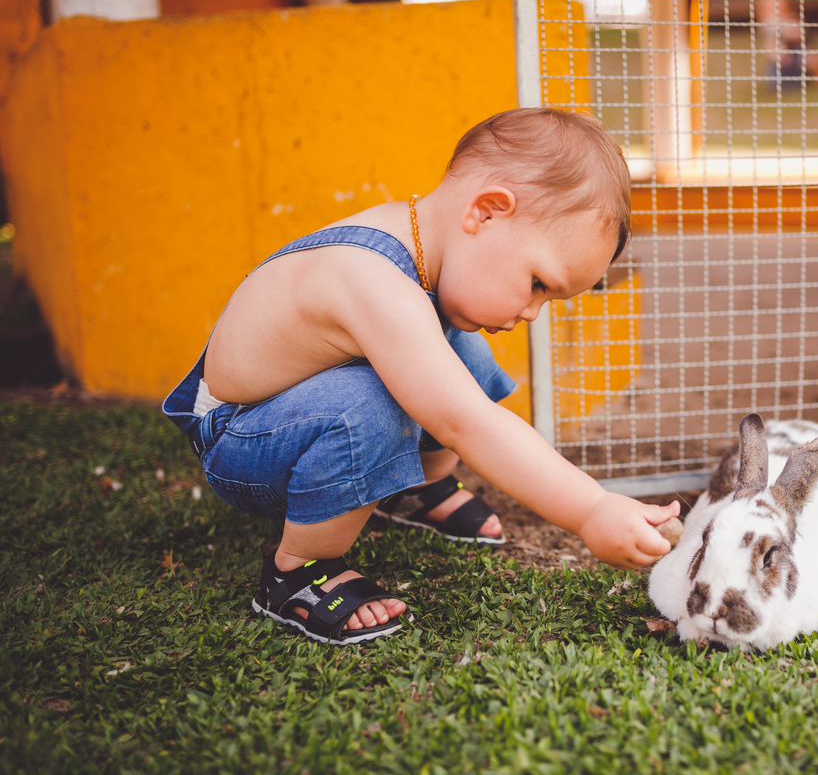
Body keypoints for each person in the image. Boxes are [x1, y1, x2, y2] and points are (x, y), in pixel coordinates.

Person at [163, 108, 680, 645]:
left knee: (461, 350)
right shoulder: (370, 279)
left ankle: (416, 490)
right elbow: (466, 422)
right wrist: (591, 510)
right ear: (486, 213)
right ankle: (297, 572)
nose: (532, 312)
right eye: (537, 284)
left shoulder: (420, 244)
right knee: (369, 405)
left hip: (294, 407)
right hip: (242, 439)